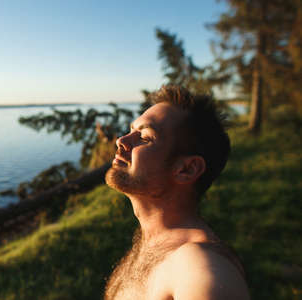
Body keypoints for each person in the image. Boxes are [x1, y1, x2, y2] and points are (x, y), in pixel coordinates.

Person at [104, 85, 250, 300]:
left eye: (144, 137)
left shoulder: (199, 264)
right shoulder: (153, 239)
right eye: (131, 130)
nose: (122, 141)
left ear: (186, 170)